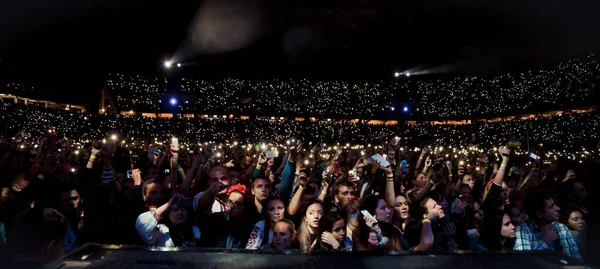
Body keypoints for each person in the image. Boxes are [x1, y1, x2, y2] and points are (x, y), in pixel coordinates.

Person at [513, 189, 581, 260]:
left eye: (554, 205)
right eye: (551, 207)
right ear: (539, 214)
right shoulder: (523, 230)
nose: (558, 208)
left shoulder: (561, 227)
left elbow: (576, 259)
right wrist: (545, 241)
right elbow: (523, 262)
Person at [136, 193, 200, 247]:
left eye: (183, 209)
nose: (180, 213)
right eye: (175, 210)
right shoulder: (160, 230)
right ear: (167, 213)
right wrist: (168, 205)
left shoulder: (195, 230)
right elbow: (142, 226)